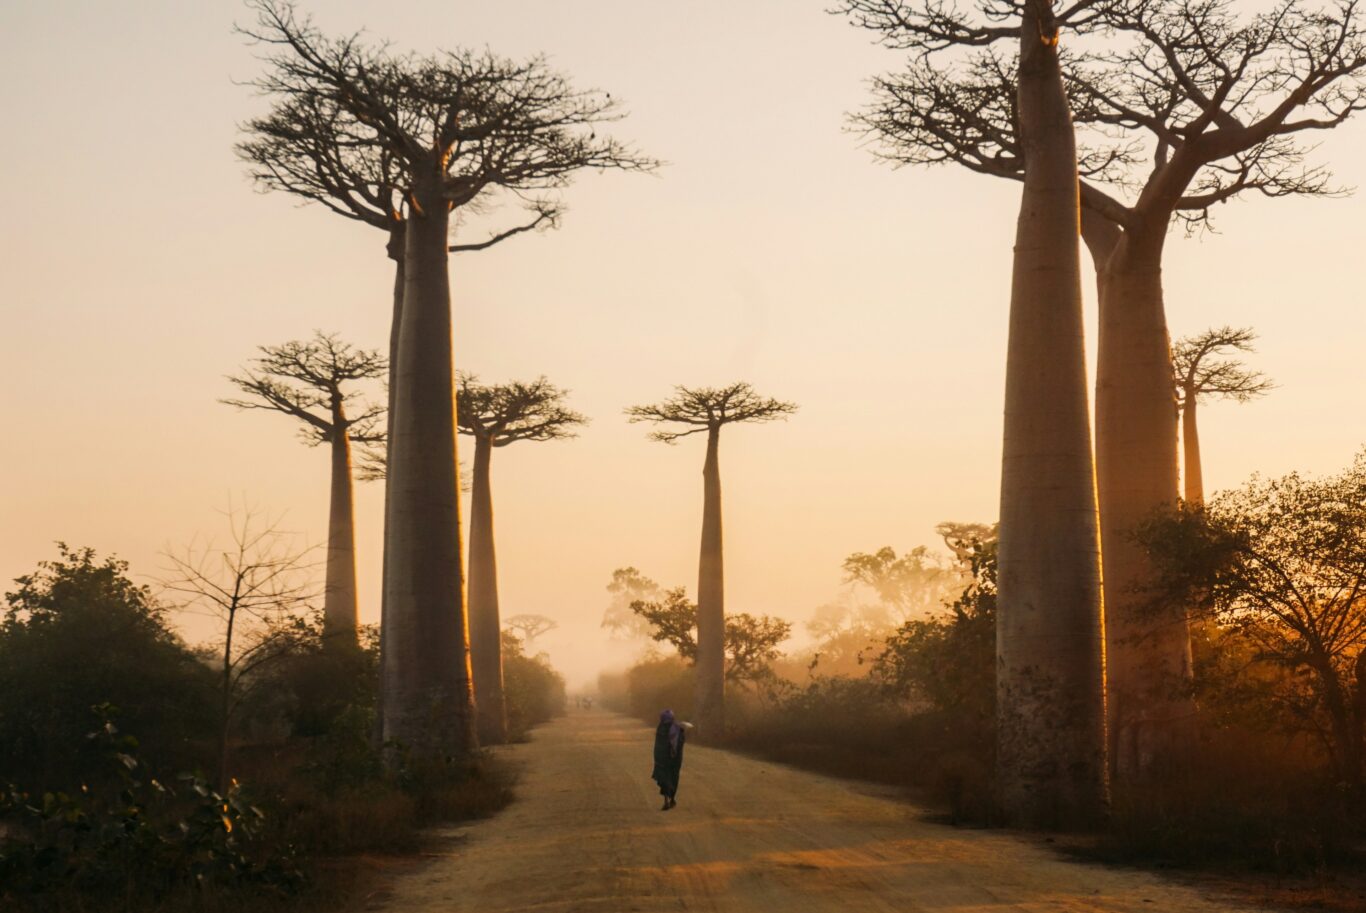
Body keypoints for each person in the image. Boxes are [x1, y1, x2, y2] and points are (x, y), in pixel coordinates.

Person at [651, 709, 688, 810]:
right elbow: (681, 742)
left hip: (663, 759)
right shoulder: (677, 728)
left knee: (665, 778)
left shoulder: (660, 728)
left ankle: (666, 800)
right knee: (674, 777)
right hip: (675, 759)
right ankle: (672, 799)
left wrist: (657, 759)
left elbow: (658, 746)